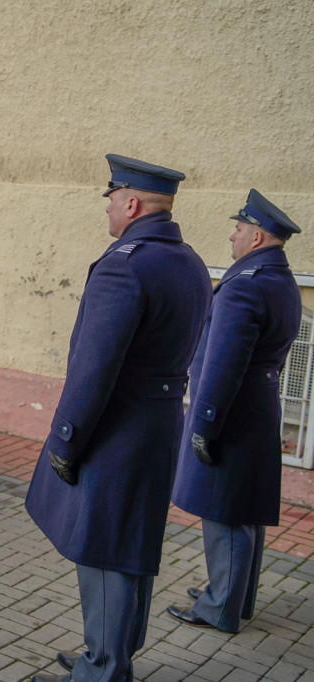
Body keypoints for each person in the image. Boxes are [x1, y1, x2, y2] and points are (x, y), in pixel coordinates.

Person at [24, 154, 211, 682]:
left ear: (131, 203)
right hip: (159, 424)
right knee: (132, 547)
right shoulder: (190, 261)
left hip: (117, 427)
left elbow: (94, 367)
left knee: (105, 552)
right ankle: (109, 651)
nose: (107, 207)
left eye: (110, 197)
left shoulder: (124, 263)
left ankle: (104, 669)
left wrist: (66, 439)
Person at [167, 190, 302, 634]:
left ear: (257, 236)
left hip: (231, 413)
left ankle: (218, 607)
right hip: (258, 407)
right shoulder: (281, 281)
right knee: (243, 510)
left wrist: (205, 424)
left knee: (224, 511)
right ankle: (233, 595)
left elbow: (223, 365)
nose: (233, 235)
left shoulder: (245, 285)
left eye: (239, 229)